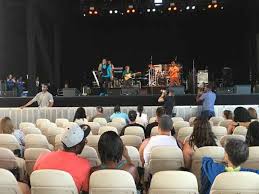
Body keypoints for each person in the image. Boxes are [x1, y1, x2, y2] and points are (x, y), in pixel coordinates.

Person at [33, 125, 91, 194]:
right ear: (77, 147)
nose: (85, 143)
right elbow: (85, 191)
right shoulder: (85, 165)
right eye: (85, 141)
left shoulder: (42, 157)